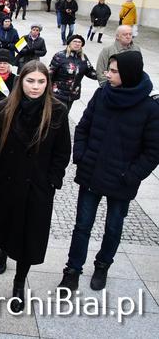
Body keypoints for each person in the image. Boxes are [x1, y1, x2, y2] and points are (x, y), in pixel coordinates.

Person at [59, 52, 159, 292]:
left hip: (122, 181)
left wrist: (131, 175)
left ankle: (102, 265)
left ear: (128, 74)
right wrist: (81, 156)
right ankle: (73, 269)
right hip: (92, 172)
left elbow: (153, 150)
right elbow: (83, 127)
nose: (107, 74)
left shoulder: (150, 108)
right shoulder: (102, 94)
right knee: (82, 225)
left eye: (113, 71)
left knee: (113, 227)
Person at [0, 61, 71, 313]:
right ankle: (3, 250)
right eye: (30, 81)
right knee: (5, 225)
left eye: (40, 81)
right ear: (20, 81)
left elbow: (62, 150)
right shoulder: (3, 108)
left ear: (47, 83)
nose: (35, 87)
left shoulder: (57, 110)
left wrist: (52, 180)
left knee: (30, 236)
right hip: (7, 183)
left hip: (37, 187)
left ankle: (19, 281)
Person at [48, 34, 97, 111]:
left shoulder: (83, 58)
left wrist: (103, 75)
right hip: (58, 94)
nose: (77, 43)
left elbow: (90, 72)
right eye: (75, 41)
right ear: (69, 43)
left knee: (64, 115)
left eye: (79, 42)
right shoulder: (60, 56)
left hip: (72, 94)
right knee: (56, 116)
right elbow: (50, 73)